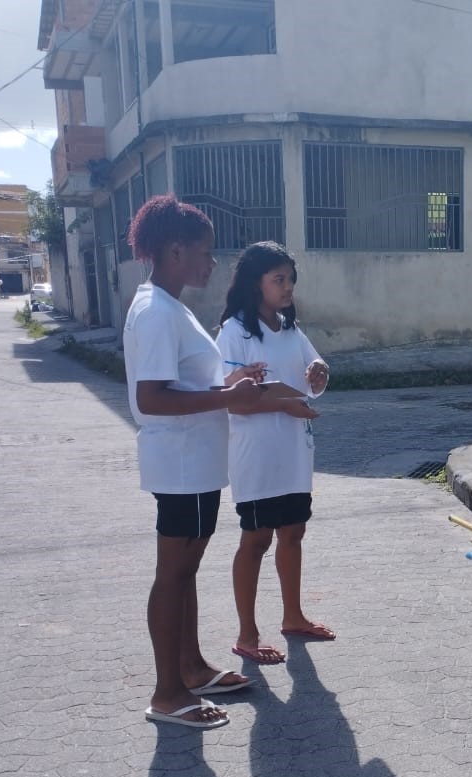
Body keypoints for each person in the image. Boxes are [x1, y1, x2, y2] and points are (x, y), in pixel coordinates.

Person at [123, 194, 265, 729]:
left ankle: (190, 667)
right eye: (205, 252)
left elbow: (182, 383)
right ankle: (168, 694)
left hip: (194, 463)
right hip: (181, 464)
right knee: (173, 575)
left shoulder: (169, 306)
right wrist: (228, 397)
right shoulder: (156, 312)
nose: (212, 262)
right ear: (175, 251)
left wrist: (228, 383)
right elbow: (152, 398)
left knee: (184, 574)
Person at [217, 241, 332, 666]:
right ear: (255, 283)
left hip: (293, 451)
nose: (287, 288)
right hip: (257, 454)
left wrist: (319, 374)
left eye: (290, 280)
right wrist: (284, 405)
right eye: (278, 279)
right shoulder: (234, 333)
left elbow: (314, 377)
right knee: (256, 539)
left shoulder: (290, 329)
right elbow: (230, 400)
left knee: (293, 532)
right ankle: (247, 634)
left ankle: (293, 616)